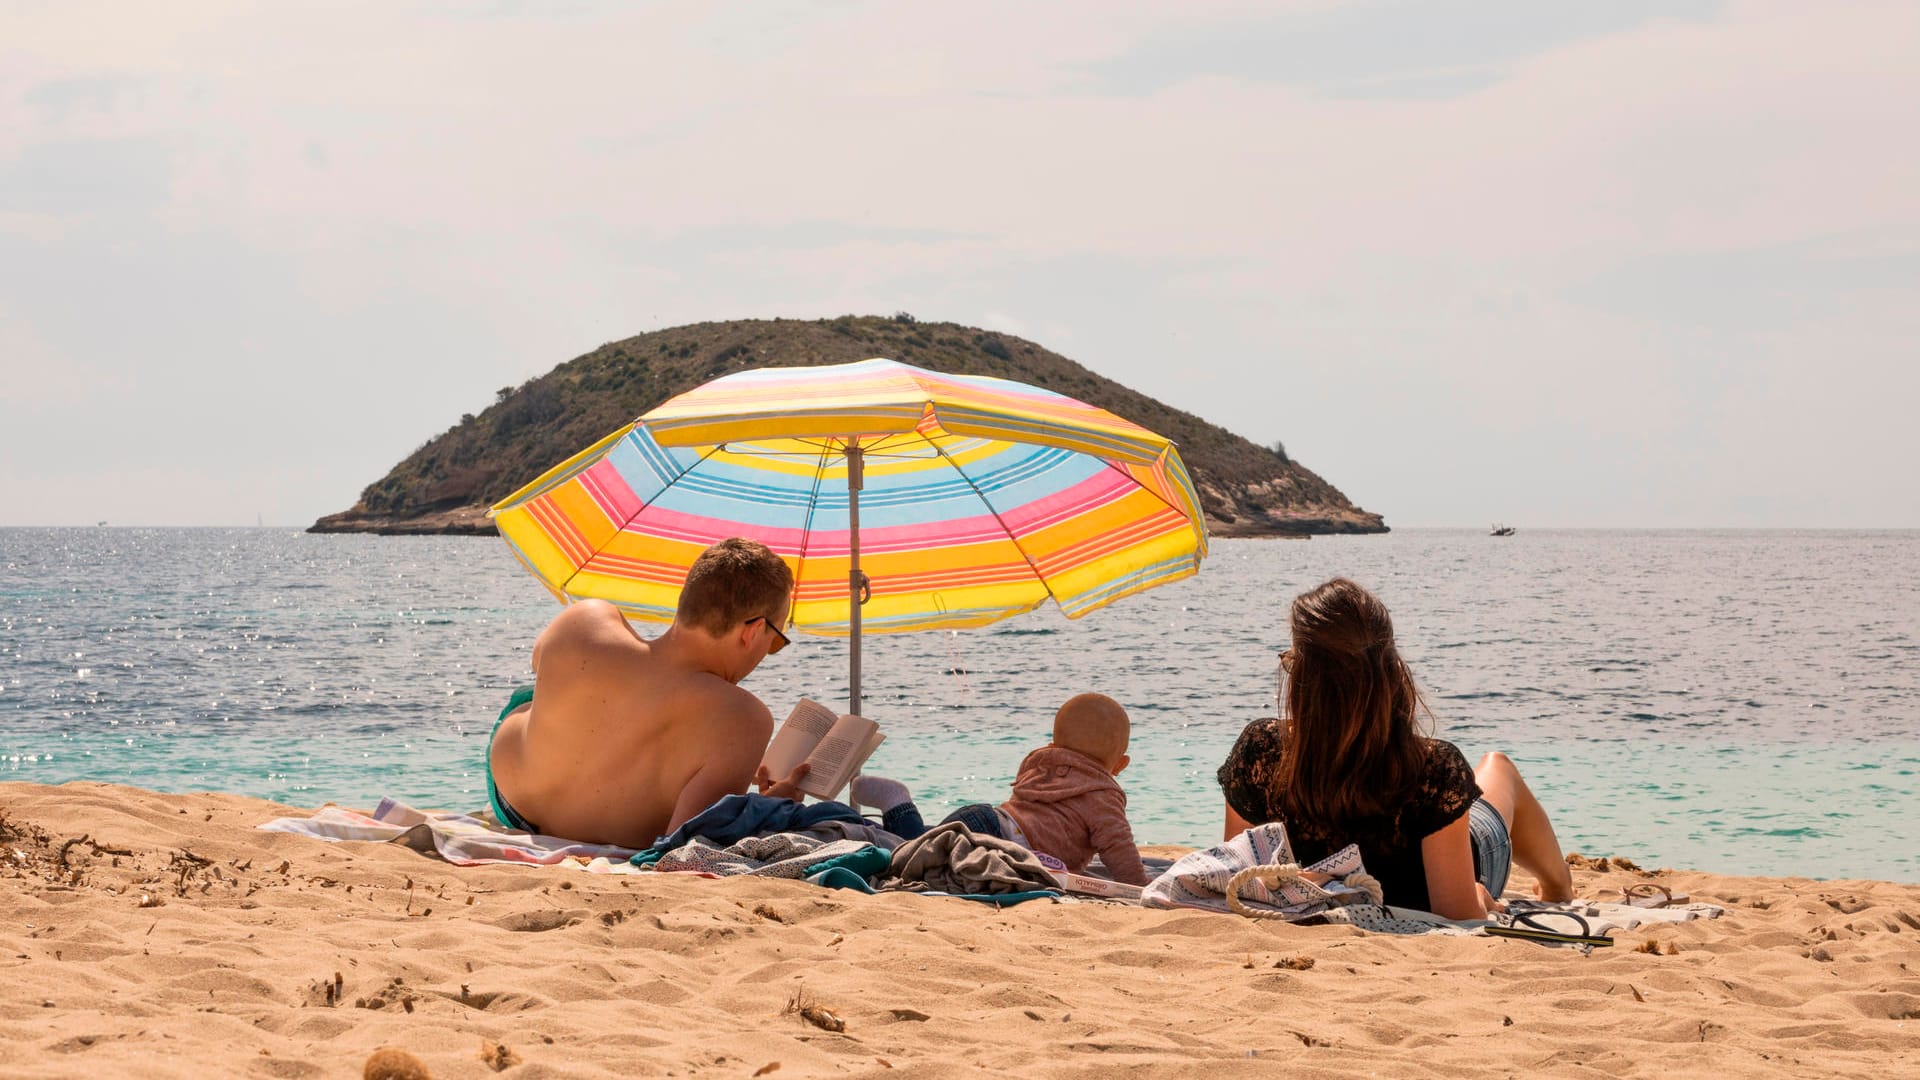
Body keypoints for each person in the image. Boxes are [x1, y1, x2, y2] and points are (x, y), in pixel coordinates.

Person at [1216, 577, 1574, 920]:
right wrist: (1480, 896)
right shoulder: (1436, 768)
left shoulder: (1260, 751)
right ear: (1389, 672)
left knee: (1494, 774)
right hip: (1455, 863)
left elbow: (1239, 875)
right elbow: (1459, 915)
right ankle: (1559, 886)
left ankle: (1558, 884)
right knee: (1498, 769)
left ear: (1304, 675)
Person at [485, 537, 810, 848]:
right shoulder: (745, 717)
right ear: (752, 632)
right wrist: (766, 807)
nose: (770, 650)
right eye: (776, 641)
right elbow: (687, 840)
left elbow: (538, 660)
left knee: (539, 693)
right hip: (611, 835)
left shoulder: (585, 618)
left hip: (511, 799)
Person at [852, 692, 1150, 885]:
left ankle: (892, 815)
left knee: (921, 848)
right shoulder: (1102, 791)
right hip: (999, 841)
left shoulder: (1041, 761)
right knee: (917, 856)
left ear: (1054, 744)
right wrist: (1138, 885)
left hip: (988, 818)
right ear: (1120, 764)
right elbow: (1117, 845)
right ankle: (898, 804)